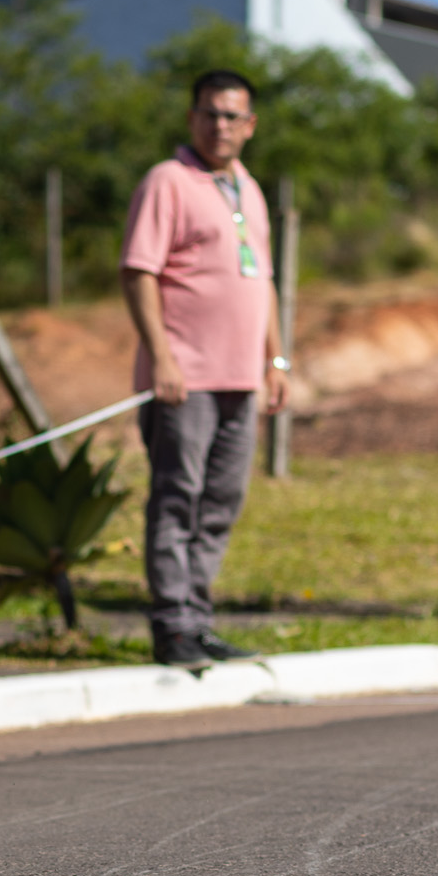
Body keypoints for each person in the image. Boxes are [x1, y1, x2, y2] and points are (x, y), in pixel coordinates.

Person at [120, 69, 290, 668]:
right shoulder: (168, 181)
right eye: (210, 113)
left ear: (250, 125)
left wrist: (275, 358)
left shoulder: (247, 187)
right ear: (193, 118)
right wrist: (161, 356)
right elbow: (139, 270)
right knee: (178, 498)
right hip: (183, 379)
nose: (221, 125)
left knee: (221, 500)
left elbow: (262, 280)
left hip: (241, 379)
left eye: (233, 116)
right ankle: (173, 626)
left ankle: (199, 619)